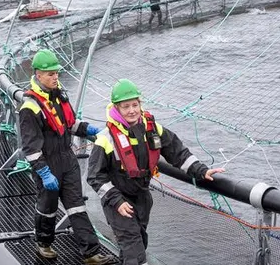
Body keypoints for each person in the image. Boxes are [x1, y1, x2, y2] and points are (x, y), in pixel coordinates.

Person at [87, 79, 225, 265]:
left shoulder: (152, 129)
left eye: (135, 105)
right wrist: (116, 200)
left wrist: (201, 170)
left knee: (138, 242)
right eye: (125, 106)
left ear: (140, 104)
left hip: (142, 197)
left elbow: (177, 152)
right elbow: (95, 176)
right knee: (133, 248)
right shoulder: (105, 139)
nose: (132, 110)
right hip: (118, 201)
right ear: (116, 108)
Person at [19, 49, 114, 264]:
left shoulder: (59, 95)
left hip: (67, 160)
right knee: (47, 208)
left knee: (77, 205)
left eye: (56, 74)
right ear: (38, 74)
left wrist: (92, 131)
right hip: (48, 164)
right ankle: (43, 243)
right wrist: (44, 173)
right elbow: (31, 148)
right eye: (50, 74)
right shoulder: (29, 107)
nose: (55, 78)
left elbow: (70, 124)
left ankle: (90, 253)